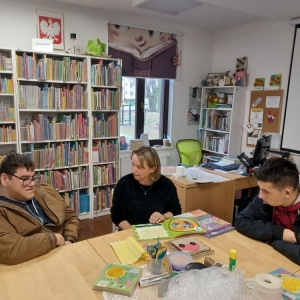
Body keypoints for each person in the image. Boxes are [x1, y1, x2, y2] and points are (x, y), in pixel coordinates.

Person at [0, 153, 80, 265]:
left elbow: (71, 218)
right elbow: (12, 249)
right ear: (4, 179)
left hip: (65, 253)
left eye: (33, 178)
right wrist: (55, 239)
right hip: (33, 263)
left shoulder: (46, 190)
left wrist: (69, 240)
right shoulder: (2, 210)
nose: (32, 183)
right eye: (24, 179)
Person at [235, 158, 300, 265]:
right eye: (260, 189)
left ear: (287, 193)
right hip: (266, 258)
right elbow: (240, 221)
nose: (260, 195)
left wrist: (275, 242)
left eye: (266, 191)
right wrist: (277, 232)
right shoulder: (264, 199)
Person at [110, 146, 182, 230]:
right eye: (133, 164)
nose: (133, 170)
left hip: (158, 231)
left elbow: (176, 211)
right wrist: (134, 233)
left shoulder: (166, 185)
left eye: (139, 167)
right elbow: (117, 216)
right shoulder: (124, 184)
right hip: (130, 232)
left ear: (152, 169)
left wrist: (163, 216)